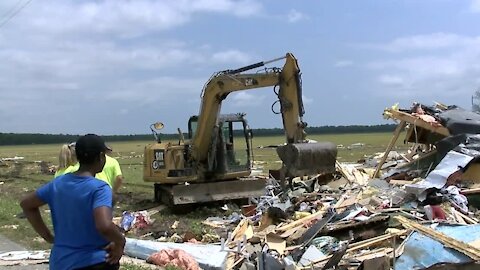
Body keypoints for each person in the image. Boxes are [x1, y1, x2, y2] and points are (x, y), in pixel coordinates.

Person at [20, 134, 125, 270]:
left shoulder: (58, 184)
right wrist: (120, 241)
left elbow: (26, 204)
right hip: (93, 262)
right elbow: (104, 225)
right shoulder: (100, 188)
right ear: (100, 156)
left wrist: (49, 237)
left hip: (60, 262)